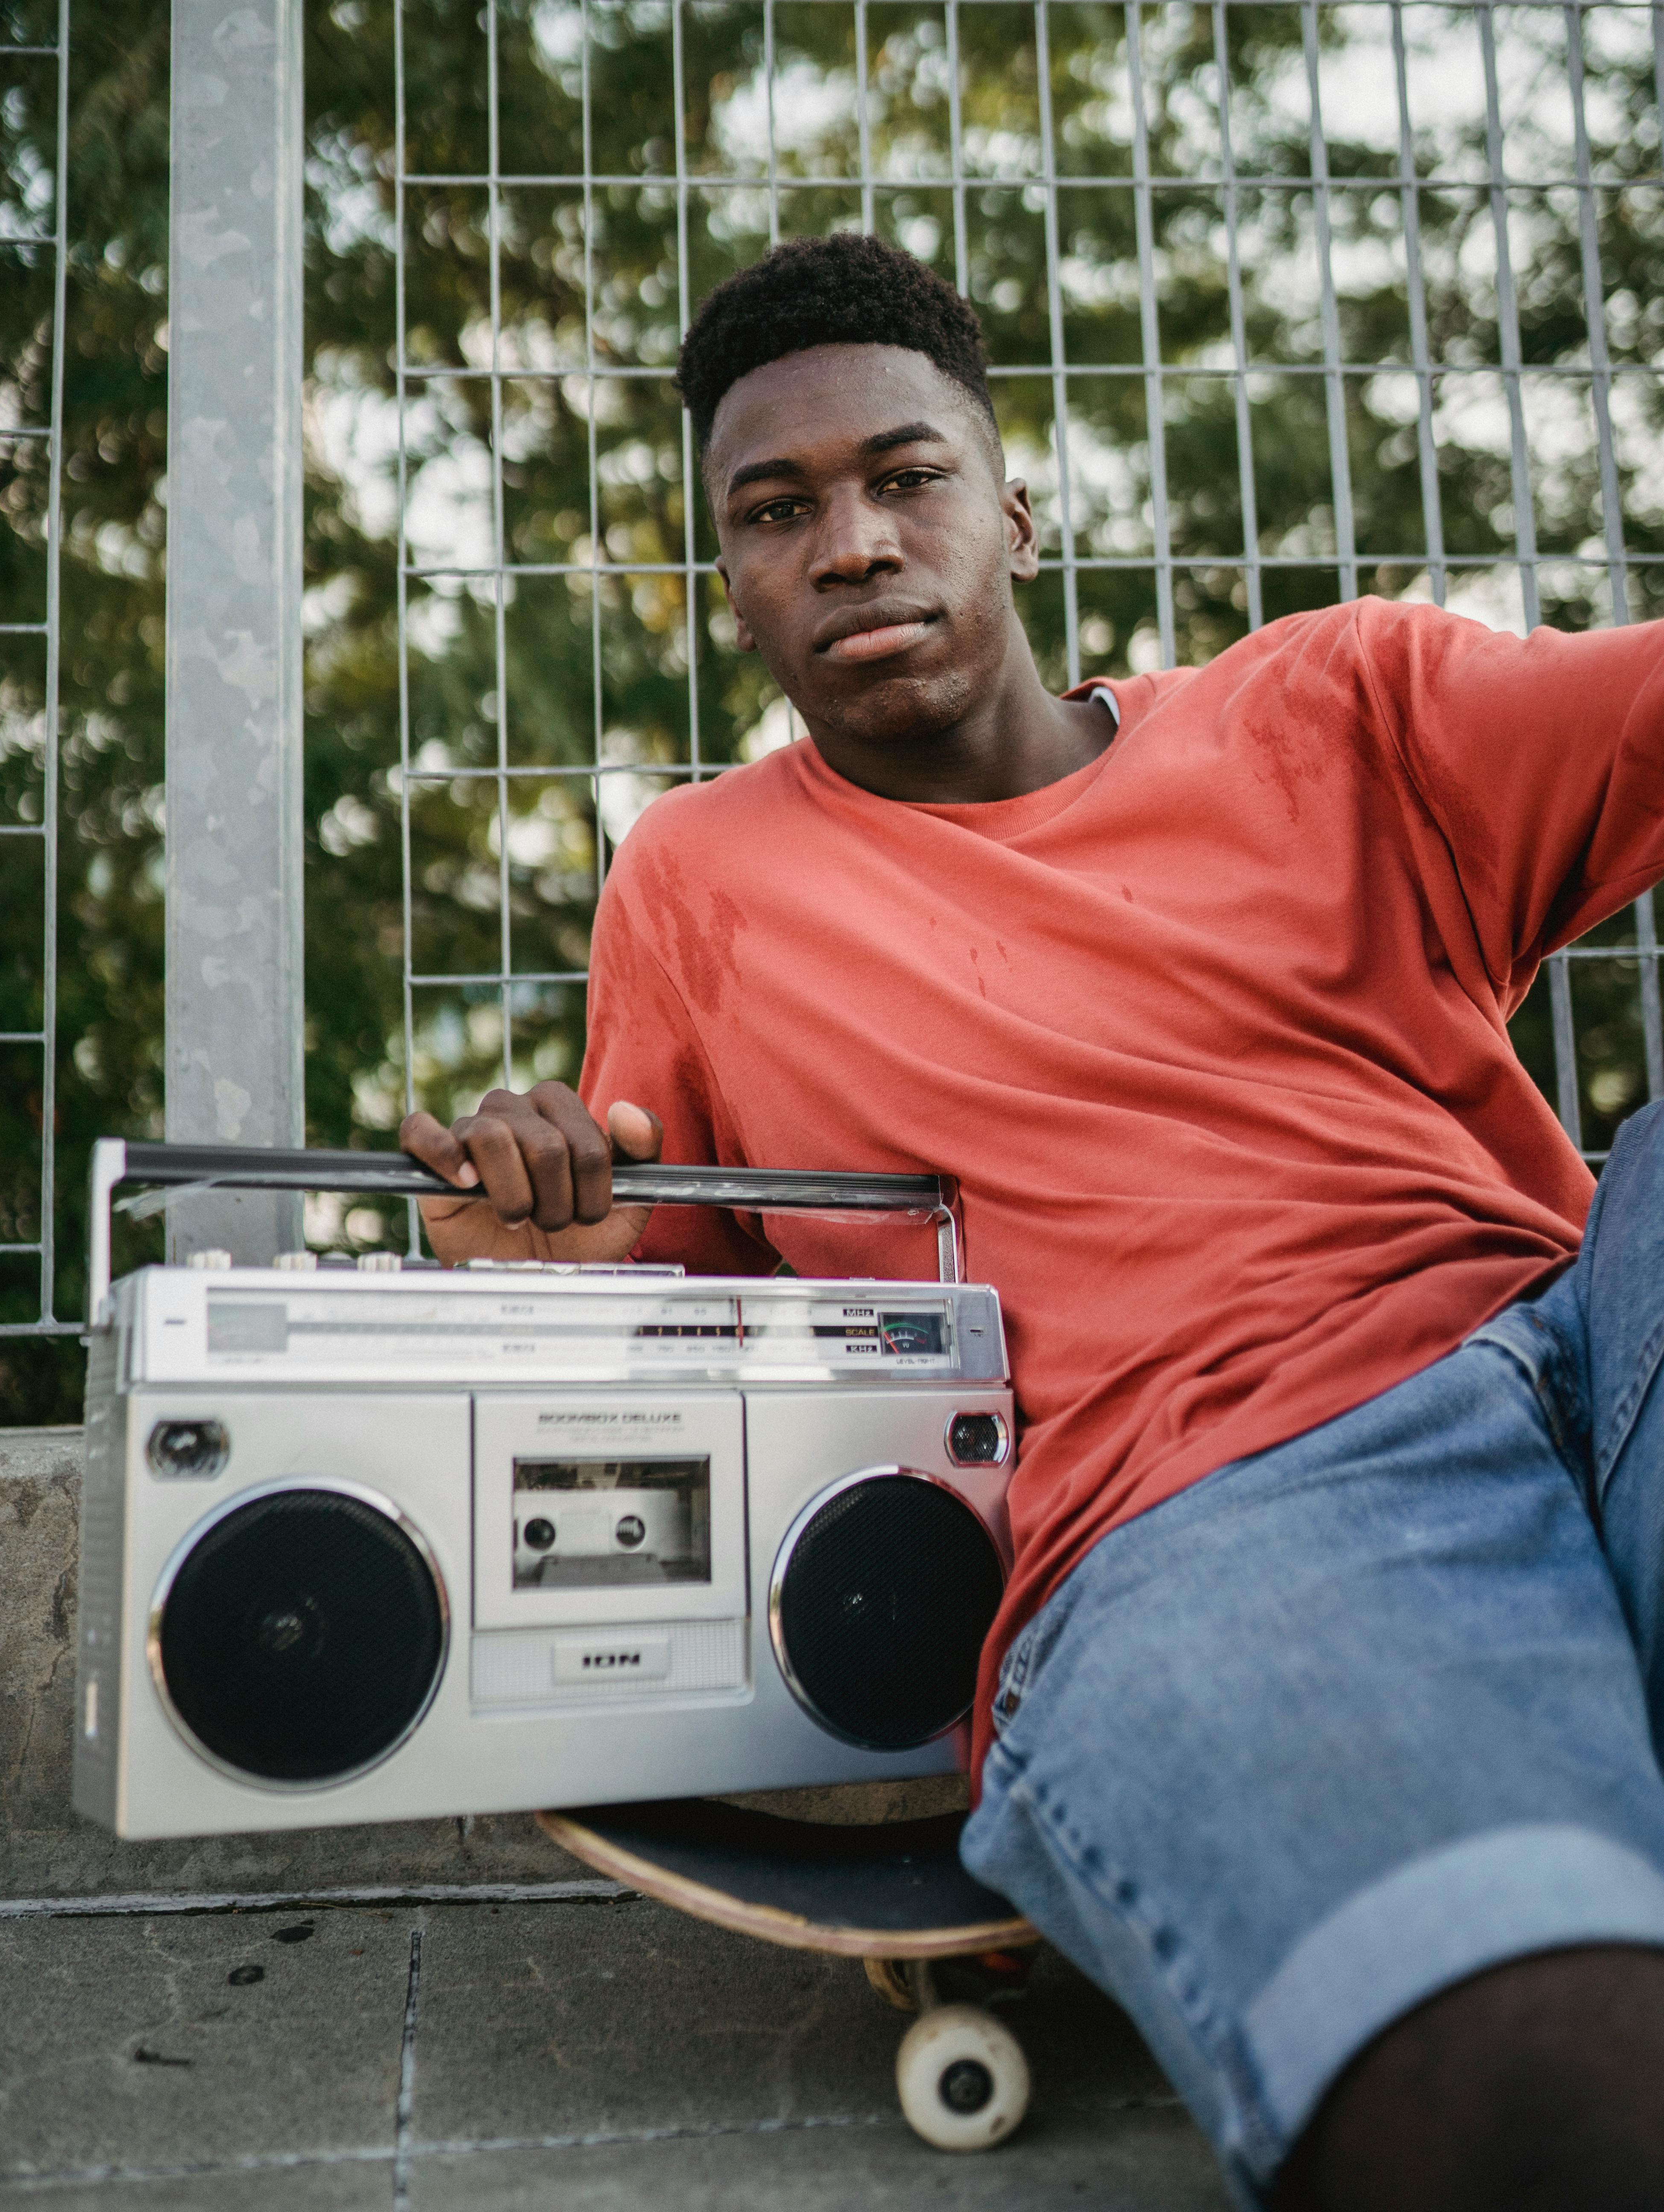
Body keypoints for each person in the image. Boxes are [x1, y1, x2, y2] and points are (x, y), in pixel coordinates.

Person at [401, 233, 1664, 2211]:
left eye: (903, 478)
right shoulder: (701, 883)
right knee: (1535, 2068)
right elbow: (678, 1323)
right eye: (773, 510)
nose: (849, 543)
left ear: (1011, 504)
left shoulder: (1339, 707)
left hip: (1599, 1333)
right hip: (1234, 1493)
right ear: (726, 579)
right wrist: (541, 1274)